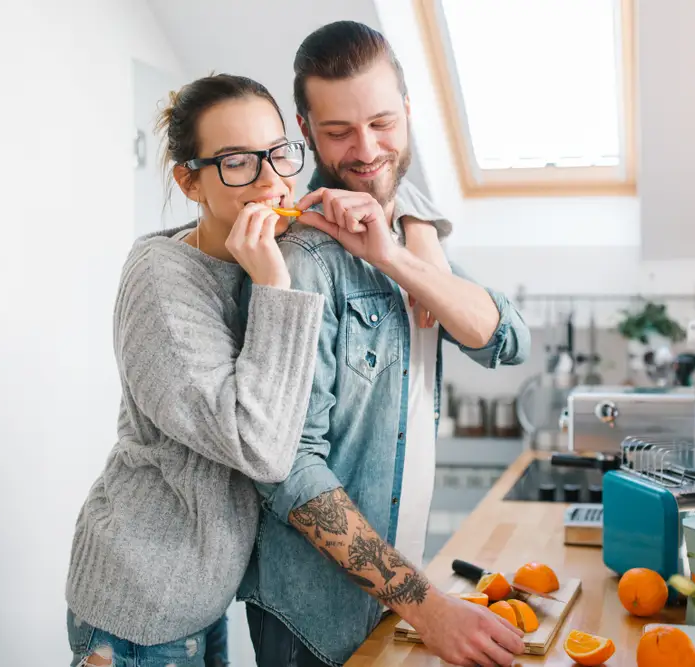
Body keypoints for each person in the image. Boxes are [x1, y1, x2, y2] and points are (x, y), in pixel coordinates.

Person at [63, 72, 444, 667]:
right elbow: (262, 447)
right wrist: (274, 283)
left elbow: (376, 171)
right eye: (237, 161)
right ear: (189, 180)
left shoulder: (258, 247)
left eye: (278, 154)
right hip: (136, 606)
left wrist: (415, 235)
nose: (271, 180)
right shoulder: (162, 281)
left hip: (199, 600)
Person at [235, 21, 532, 667]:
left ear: (408, 110)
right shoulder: (306, 260)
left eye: (382, 122)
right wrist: (428, 605)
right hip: (316, 621)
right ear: (305, 129)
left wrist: (403, 254)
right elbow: (286, 470)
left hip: (390, 596)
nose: (367, 149)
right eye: (338, 131)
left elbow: (508, 342)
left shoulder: (403, 226)